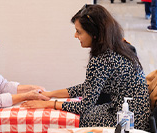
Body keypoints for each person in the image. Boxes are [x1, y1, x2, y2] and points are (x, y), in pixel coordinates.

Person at [22, 4, 150, 131]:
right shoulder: (120, 46)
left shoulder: (101, 60)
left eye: (79, 32)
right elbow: (90, 87)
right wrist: (50, 94)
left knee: (71, 120)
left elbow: (84, 107)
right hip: (137, 115)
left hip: (127, 121)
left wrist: (48, 104)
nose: (75, 36)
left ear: (94, 34)